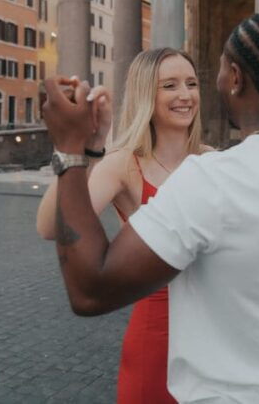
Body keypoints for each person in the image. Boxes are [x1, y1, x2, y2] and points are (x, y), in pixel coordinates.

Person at [42, 11, 259, 403]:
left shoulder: (213, 178)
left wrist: (70, 146)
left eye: (202, 78)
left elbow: (89, 291)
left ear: (236, 77)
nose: (193, 91)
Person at [37, 48, 210, 403]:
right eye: (170, 85)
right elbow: (48, 227)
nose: (185, 95)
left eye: (191, 84)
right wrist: (86, 149)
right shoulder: (125, 164)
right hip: (156, 337)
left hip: (213, 334)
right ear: (147, 93)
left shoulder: (216, 161)